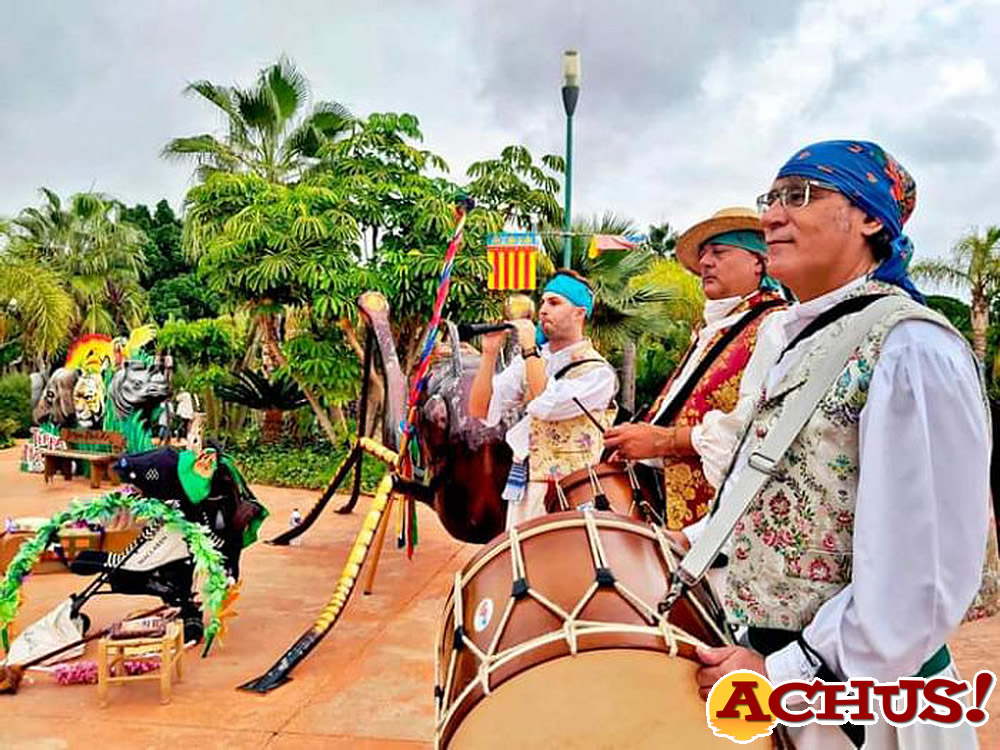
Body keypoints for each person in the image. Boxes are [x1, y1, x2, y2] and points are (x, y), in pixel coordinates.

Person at [685, 140, 991, 749]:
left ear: (871, 218)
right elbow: (777, 493)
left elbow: (921, 578)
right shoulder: (807, 340)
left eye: (798, 196)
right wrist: (689, 544)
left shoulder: (912, 348)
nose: (772, 215)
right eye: (770, 199)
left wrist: (784, 674)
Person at [604, 207, 786, 530]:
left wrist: (664, 441)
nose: (705, 262)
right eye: (703, 254)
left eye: (719, 252)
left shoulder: (775, 324)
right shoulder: (712, 330)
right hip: (672, 509)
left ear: (759, 262)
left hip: (725, 525)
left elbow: (758, 431)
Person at [468, 270, 618, 529]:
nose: (543, 310)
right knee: (519, 564)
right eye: (544, 301)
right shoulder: (532, 360)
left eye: (555, 302)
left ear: (579, 313)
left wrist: (528, 347)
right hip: (524, 488)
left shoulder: (597, 373)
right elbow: (480, 409)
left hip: (571, 496)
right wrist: (489, 354)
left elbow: (546, 404)